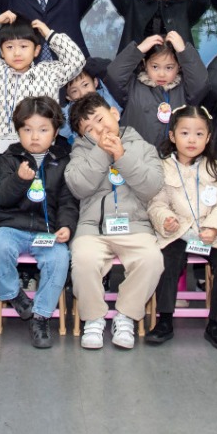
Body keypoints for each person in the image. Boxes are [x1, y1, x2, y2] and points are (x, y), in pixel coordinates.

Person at [65, 92, 165, 350]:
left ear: (115, 113)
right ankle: (94, 318)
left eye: (100, 120)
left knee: (151, 259)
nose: (99, 130)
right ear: (83, 136)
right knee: (83, 259)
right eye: (89, 129)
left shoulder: (143, 147)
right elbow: (78, 186)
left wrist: (122, 156)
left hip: (135, 226)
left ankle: (126, 316)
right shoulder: (80, 152)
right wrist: (101, 151)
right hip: (93, 228)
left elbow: (152, 186)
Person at [0, 96, 78, 348]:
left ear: (56, 132)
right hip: (11, 226)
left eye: (43, 130)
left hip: (46, 231)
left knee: (59, 258)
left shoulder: (64, 160)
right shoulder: (8, 157)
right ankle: (14, 295)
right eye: (27, 130)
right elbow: (1, 198)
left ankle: (40, 316)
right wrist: (19, 179)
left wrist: (66, 227)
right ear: (18, 131)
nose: (34, 136)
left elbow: (68, 201)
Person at [146, 105, 217, 349]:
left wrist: (214, 228)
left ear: (208, 138)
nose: (191, 140)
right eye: (185, 133)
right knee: (167, 261)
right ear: (172, 136)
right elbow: (156, 203)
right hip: (177, 231)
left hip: (210, 234)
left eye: (199, 134)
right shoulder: (162, 168)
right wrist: (166, 219)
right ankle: (165, 320)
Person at [0, 12, 85, 150]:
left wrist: (50, 35)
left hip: (36, 153)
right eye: (9, 47)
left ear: (36, 50)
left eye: (23, 46)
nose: (17, 53)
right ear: (1, 52)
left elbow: (77, 61)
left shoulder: (49, 73)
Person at [104, 31, 208, 148]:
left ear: (179, 66)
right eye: (155, 67)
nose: (161, 74)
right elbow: (113, 75)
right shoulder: (132, 86)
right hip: (136, 156)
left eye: (169, 67)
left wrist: (184, 52)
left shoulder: (185, 89)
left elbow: (201, 82)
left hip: (173, 157)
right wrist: (139, 50)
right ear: (145, 64)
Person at [59, 56, 115, 142]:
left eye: (85, 85)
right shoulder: (66, 114)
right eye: (74, 91)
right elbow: (63, 130)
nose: (83, 93)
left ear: (95, 82)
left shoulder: (107, 97)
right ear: (68, 97)